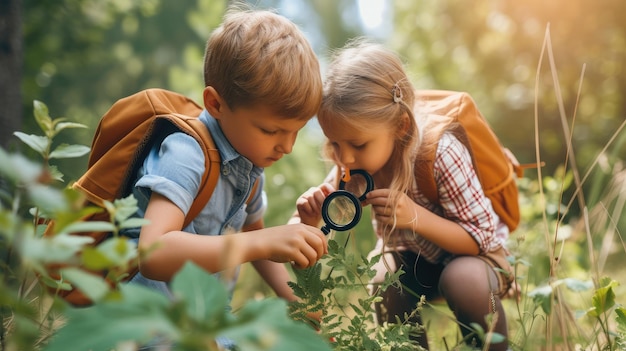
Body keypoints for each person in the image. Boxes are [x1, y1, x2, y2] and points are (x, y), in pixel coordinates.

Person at [123, 4, 327, 348]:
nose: (287, 147)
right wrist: (259, 242)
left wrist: (301, 306)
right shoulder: (187, 154)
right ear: (215, 104)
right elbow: (154, 253)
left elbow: (258, 240)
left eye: (296, 132)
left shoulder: (250, 165)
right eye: (270, 130)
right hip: (151, 323)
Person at [295, 39, 512, 350]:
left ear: (400, 126)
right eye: (335, 144)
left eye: (357, 145)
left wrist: (415, 217)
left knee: (462, 278)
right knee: (384, 281)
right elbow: (307, 230)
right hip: (414, 260)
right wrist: (311, 220)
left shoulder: (440, 153)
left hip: (475, 259)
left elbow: (481, 238)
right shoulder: (352, 165)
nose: (345, 158)